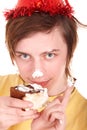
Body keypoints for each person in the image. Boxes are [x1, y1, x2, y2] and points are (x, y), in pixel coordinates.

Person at [0, 0, 87, 130]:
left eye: (49, 55)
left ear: (70, 52)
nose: (37, 71)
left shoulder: (83, 115)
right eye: (25, 56)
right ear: (13, 55)